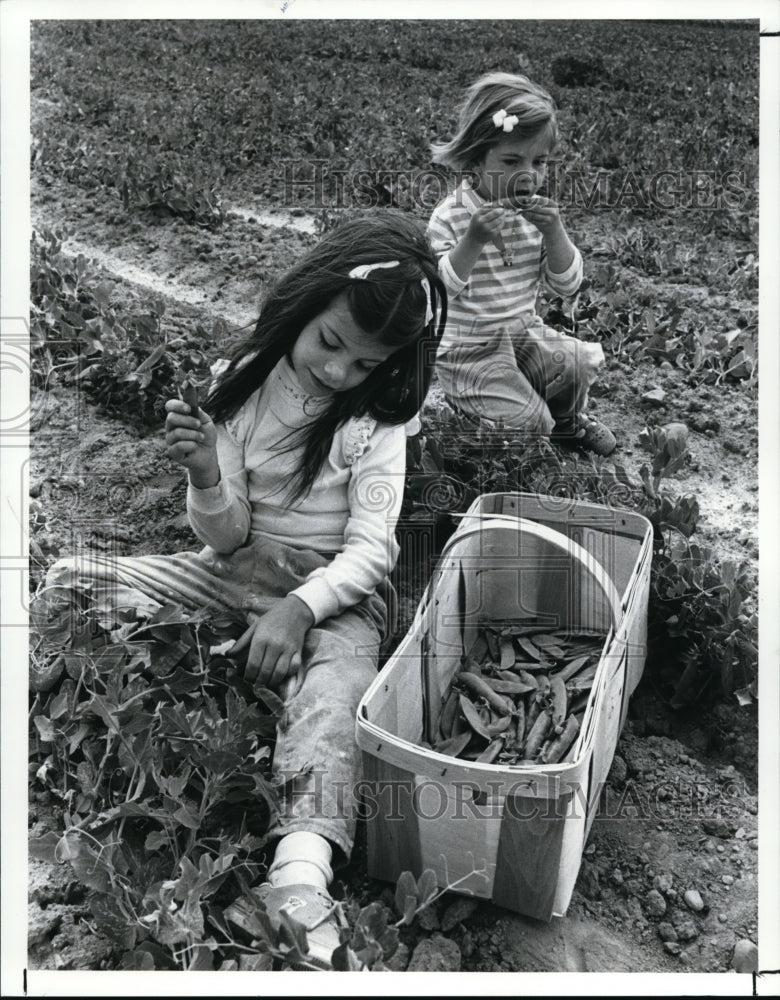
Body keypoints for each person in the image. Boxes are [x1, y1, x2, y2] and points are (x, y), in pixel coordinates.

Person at [43, 213, 447, 969]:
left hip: (333, 594)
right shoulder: (243, 388)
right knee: (73, 582)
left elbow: (371, 551)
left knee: (339, 693)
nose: (339, 373)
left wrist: (301, 609)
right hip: (235, 569)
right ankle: (231, 659)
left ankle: (300, 873)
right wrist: (204, 473)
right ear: (303, 306)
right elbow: (225, 536)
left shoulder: (377, 424)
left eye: (365, 363)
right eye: (330, 344)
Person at [428, 71, 616, 455]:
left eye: (540, 162)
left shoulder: (537, 218)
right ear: (476, 158)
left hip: (522, 335)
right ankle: (472, 412)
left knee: (577, 364)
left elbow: (567, 285)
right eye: (512, 161)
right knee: (530, 423)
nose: (528, 175)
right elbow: (437, 293)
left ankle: (566, 424)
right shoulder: (451, 216)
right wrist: (474, 240)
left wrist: (555, 232)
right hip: (468, 351)